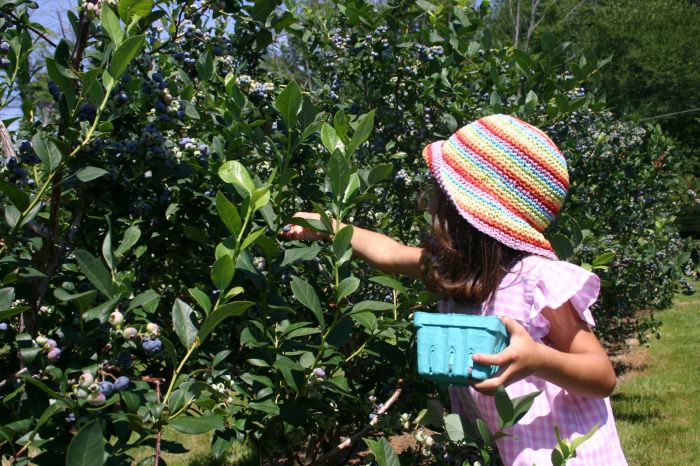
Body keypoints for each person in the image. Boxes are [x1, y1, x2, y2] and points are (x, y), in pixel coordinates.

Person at [280, 114, 627, 465]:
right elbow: (389, 253)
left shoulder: (536, 281)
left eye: (440, 196)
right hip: (503, 450)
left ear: (468, 214)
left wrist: (538, 360)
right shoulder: (453, 270)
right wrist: (330, 227)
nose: (429, 203)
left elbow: (602, 376)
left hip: (566, 453)